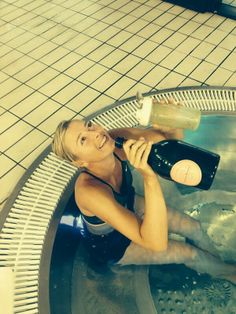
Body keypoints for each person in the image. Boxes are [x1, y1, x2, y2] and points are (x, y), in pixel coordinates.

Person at [52, 98, 236, 284]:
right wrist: (148, 177)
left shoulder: (115, 140)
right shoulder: (89, 191)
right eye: (83, 139)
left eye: (89, 125)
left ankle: (221, 267)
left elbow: (168, 143)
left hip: (128, 203)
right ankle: (228, 273)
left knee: (194, 227)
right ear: (80, 162)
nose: (96, 133)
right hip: (113, 245)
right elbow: (156, 244)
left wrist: (170, 125)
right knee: (189, 253)